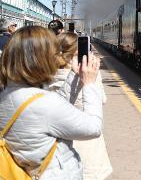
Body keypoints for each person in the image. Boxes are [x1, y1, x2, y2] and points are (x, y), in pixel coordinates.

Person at [0, 26, 102, 179]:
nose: (58, 57)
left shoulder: (7, 93)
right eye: (54, 53)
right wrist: (89, 84)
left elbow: (52, 109)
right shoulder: (44, 104)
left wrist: (74, 76)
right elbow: (93, 128)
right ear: (40, 59)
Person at [48, 32, 112, 180]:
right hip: (87, 146)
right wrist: (92, 79)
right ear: (79, 54)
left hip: (58, 154)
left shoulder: (46, 77)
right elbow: (102, 100)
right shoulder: (90, 76)